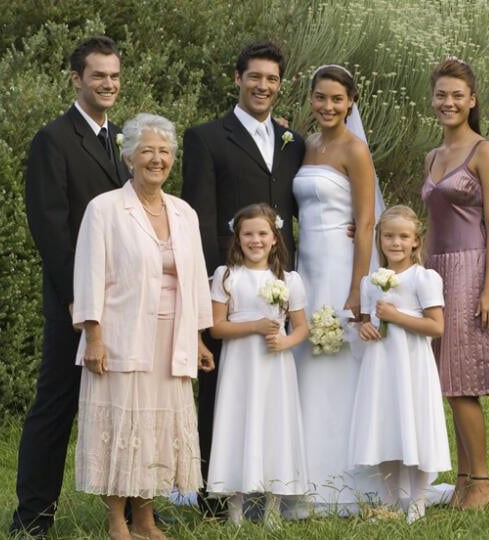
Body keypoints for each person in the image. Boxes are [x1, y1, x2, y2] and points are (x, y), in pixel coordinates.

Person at [71, 113, 215, 539]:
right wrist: (93, 335)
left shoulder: (184, 212)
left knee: (155, 431)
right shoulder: (105, 209)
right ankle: (118, 523)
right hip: (120, 336)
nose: (157, 159)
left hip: (172, 338)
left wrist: (199, 337)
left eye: (165, 152)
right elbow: (89, 274)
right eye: (148, 151)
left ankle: (147, 522)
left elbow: (194, 278)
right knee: (121, 428)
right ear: (129, 156)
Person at [12, 35, 131, 538]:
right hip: (75, 300)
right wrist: (79, 302)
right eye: (98, 75)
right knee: (56, 405)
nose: (108, 84)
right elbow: (50, 227)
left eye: (114, 76)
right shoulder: (54, 139)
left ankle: (132, 511)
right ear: (76, 79)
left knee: (126, 405)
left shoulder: (119, 137)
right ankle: (33, 518)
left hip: (125, 297)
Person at [180, 40, 306, 516]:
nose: (263, 86)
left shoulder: (292, 141)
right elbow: (199, 218)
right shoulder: (206, 138)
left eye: (272, 79)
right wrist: (215, 292)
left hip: (279, 277)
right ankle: (214, 498)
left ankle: (270, 486)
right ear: (237, 79)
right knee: (221, 392)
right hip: (229, 283)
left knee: (274, 390)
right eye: (255, 77)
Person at [291, 63, 384, 516]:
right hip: (304, 266)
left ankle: (344, 480)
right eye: (320, 97)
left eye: (337, 99)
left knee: (338, 363)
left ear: (351, 102)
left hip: (340, 266)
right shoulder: (305, 146)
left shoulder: (355, 149)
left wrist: (357, 289)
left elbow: (366, 222)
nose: (328, 106)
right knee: (303, 362)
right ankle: (299, 477)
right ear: (310, 99)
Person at [420, 57, 489, 510]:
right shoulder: (432, 156)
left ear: (472, 100)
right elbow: (430, 223)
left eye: (458, 95)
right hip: (435, 272)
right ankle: (461, 480)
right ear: (433, 100)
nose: (449, 102)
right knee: (445, 380)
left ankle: (483, 480)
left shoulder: (485, 152)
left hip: (472, 270)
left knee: (461, 384)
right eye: (442, 94)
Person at [205, 204, 309, 529]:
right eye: (248, 234)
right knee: (238, 423)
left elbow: (301, 327)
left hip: (275, 366)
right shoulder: (226, 276)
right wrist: (255, 327)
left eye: (262, 233)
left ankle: (272, 509)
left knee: (274, 424)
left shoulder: (288, 280)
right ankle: (235, 509)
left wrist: (285, 342)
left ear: (275, 238)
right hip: (239, 365)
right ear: (238, 238)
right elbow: (216, 328)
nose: (255, 240)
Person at [349, 205, 451, 524]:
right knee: (385, 424)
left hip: (412, 362)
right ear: (379, 239)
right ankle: (389, 503)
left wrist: (397, 317)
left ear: (416, 242)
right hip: (380, 364)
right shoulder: (370, 282)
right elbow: (368, 322)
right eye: (389, 236)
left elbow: (437, 327)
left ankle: (417, 502)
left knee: (414, 422)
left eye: (403, 237)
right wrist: (362, 328)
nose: (396, 243)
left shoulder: (424, 278)